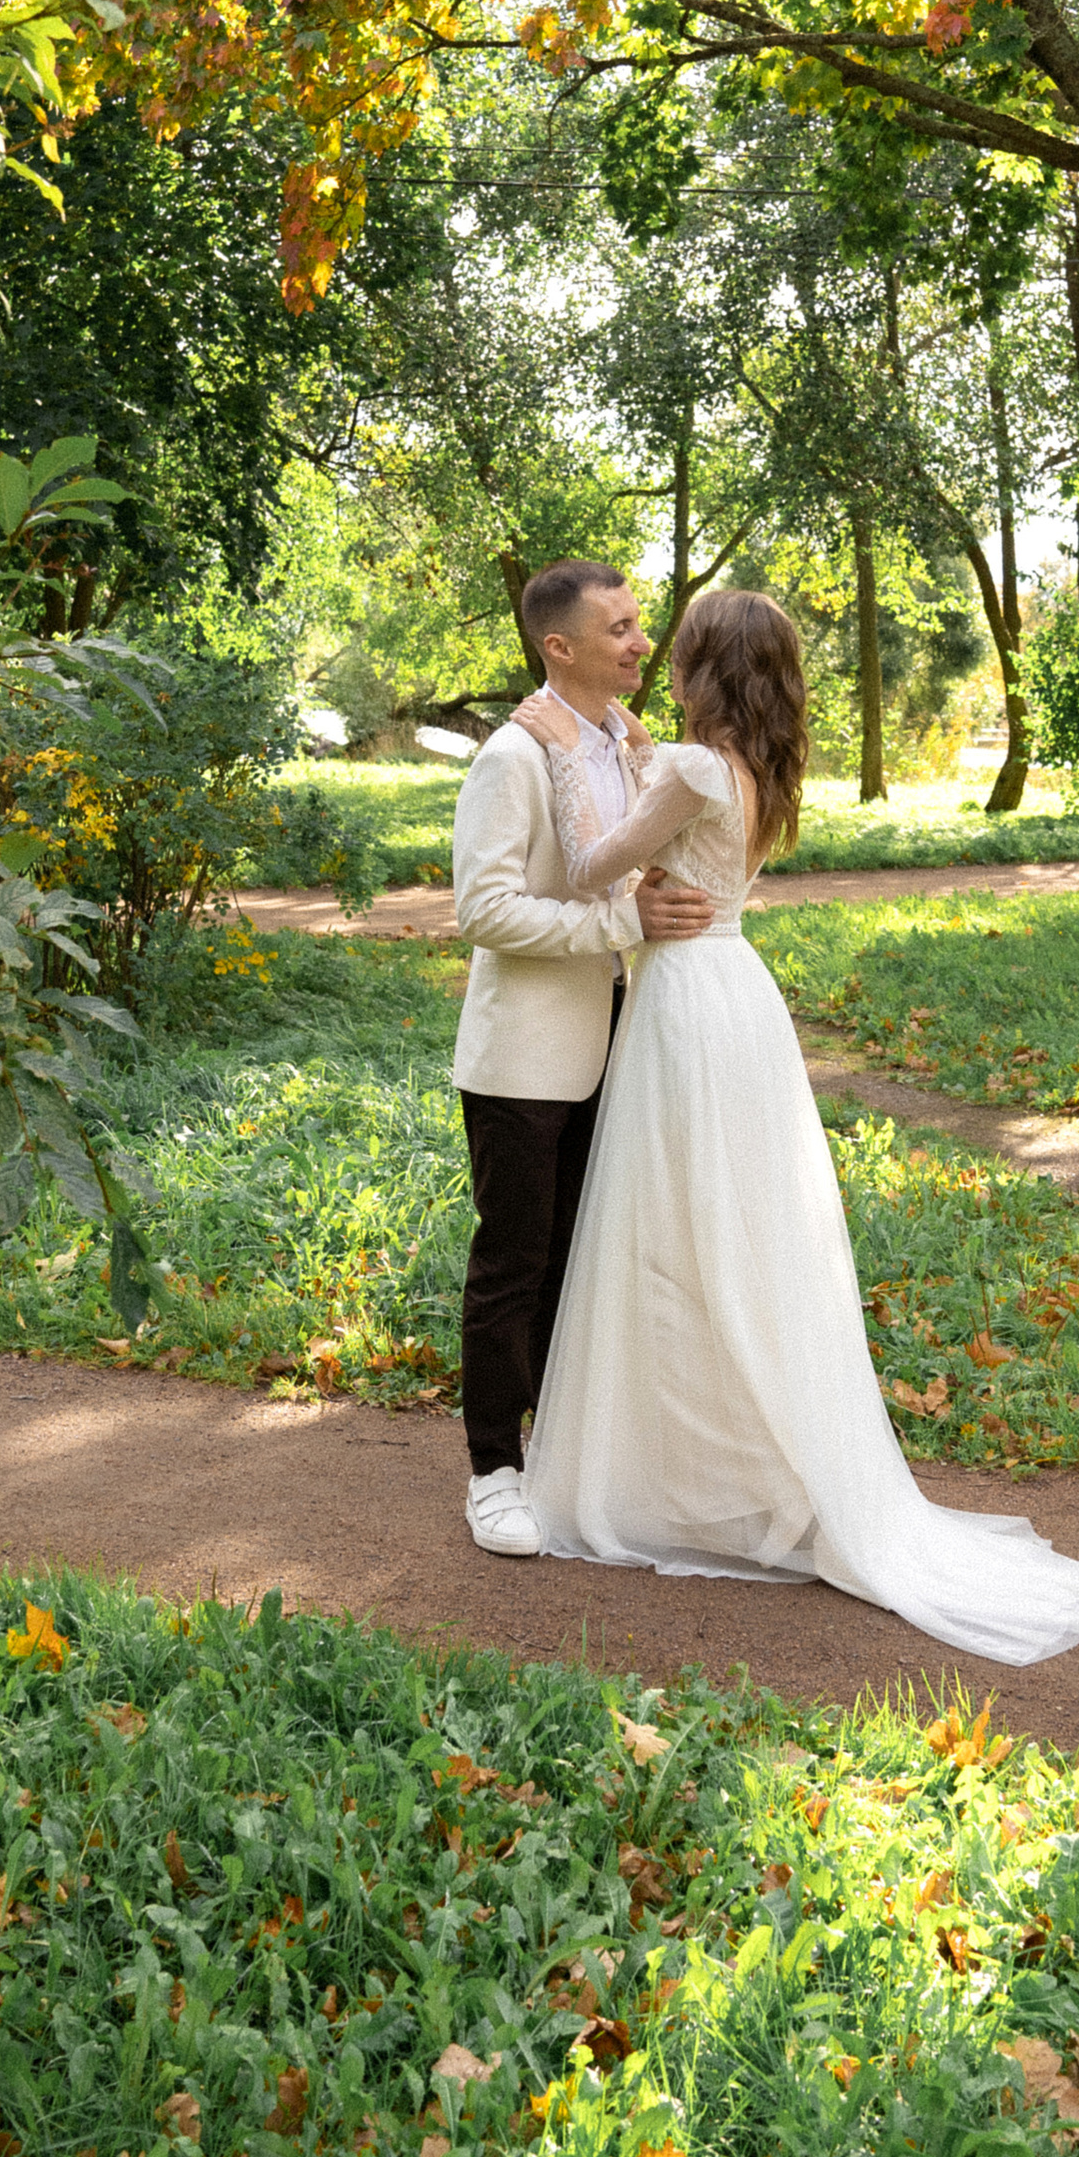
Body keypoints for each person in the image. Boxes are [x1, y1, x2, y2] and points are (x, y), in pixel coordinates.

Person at [509, 587, 1079, 1667]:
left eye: (673, 648)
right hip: (733, 992)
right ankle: (730, 1464)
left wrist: (561, 749)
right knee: (732, 1228)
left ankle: (678, 1471)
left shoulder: (691, 768)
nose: (656, 658)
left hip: (684, 1002)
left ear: (700, 668)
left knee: (673, 1228)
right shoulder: (750, 770)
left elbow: (598, 865)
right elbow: (676, 821)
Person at [449, 560, 717, 1556]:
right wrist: (622, 919)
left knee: (584, 1260)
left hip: (626, 1043)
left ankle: (564, 1457)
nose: (642, 642)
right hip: (525, 1056)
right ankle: (492, 1475)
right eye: (619, 628)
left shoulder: (637, 752)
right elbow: (482, 910)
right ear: (558, 648)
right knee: (515, 1263)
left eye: (640, 623)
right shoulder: (513, 759)